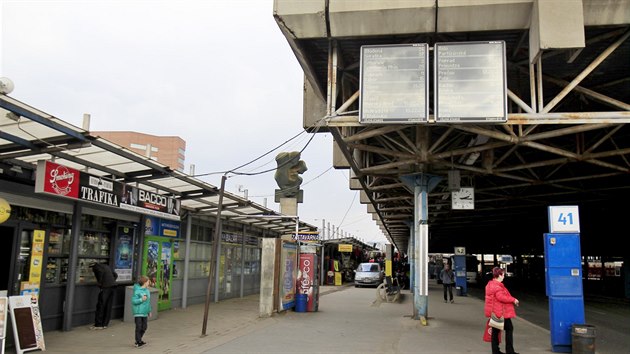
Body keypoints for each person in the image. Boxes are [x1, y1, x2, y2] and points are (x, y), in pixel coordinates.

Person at [484, 267, 520, 354]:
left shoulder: (491, 284)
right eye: (503, 274)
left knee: (495, 332)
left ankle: (496, 351)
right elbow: (501, 297)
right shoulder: (497, 286)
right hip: (500, 312)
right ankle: (509, 351)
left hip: (495, 312)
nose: (504, 276)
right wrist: (513, 300)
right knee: (509, 329)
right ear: (499, 275)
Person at [90, 262, 118, 330]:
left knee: (101, 305)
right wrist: (111, 281)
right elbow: (115, 275)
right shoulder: (106, 266)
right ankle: (105, 324)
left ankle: (98, 325)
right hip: (112, 286)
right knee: (108, 305)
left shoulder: (96, 267)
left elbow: (100, 273)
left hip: (105, 287)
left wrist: (100, 283)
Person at [132, 275, 151, 348]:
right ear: (145, 282)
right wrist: (141, 300)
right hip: (138, 312)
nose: (149, 283)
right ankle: (138, 341)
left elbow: (148, 302)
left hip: (145, 313)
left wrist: (149, 311)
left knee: (144, 327)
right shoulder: (137, 291)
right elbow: (133, 301)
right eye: (148, 281)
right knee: (139, 327)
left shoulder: (147, 291)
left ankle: (139, 339)